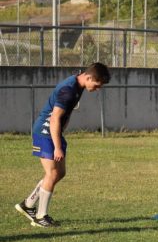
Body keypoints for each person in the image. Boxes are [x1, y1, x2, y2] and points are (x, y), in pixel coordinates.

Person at [15, 63, 111, 228]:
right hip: (45, 132)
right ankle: (40, 216)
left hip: (52, 133)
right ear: (88, 77)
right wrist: (57, 146)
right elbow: (54, 119)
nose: (97, 89)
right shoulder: (69, 90)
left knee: (60, 172)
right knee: (52, 173)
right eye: (97, 85)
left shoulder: (78, 83)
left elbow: (64, 115)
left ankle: (27, 204)